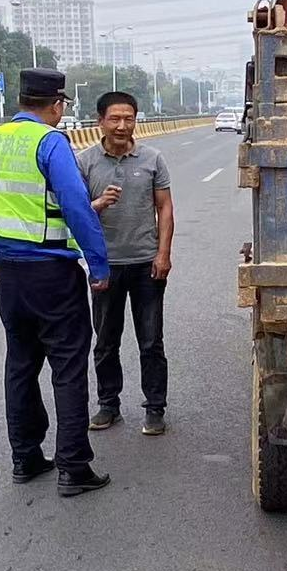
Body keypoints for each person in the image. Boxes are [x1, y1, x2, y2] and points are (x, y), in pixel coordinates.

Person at [0, 68, 112, 498]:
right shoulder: (51, 143)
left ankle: (25, 457)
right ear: (58, 104)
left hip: (10, 276)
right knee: (67, 368)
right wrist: (98, 266)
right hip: (52, 274)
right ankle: (73, 466)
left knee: (20, 366)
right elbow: (77, 207)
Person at [77, 90, 175, 437]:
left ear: (136, 119)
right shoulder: (85, 162)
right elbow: (75, 214)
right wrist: (99, 203)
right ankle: (108, 405)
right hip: (105, 266)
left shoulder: (152, 158)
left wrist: (163, 254)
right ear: (100, 121)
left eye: (128, 118)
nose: (122, 125)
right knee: (105, 340)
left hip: (146, 264)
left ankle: (155, 408)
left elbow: (164, 207)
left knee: (151, 341)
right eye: (115, 119)